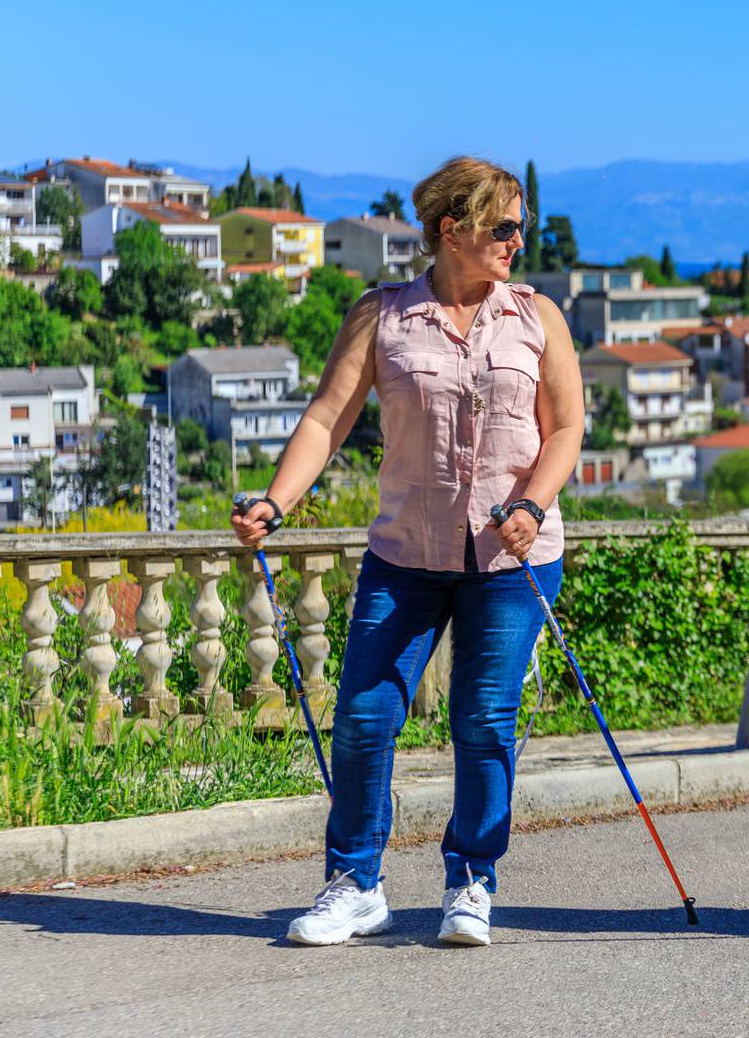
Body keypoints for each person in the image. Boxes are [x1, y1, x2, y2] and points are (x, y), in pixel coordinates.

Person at [231, 157, 584, 948]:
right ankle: (356, 885)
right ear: (449, 229)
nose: (517, 241)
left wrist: (533, 503)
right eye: (502, 226)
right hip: (407, 551)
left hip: (511, 555)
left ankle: (471, 882)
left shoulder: (536, 317)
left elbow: (566, 429)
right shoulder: (382, 317)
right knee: (363, 716)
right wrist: (274, 502)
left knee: (483, 720)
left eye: (520, 225)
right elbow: (326, 420)